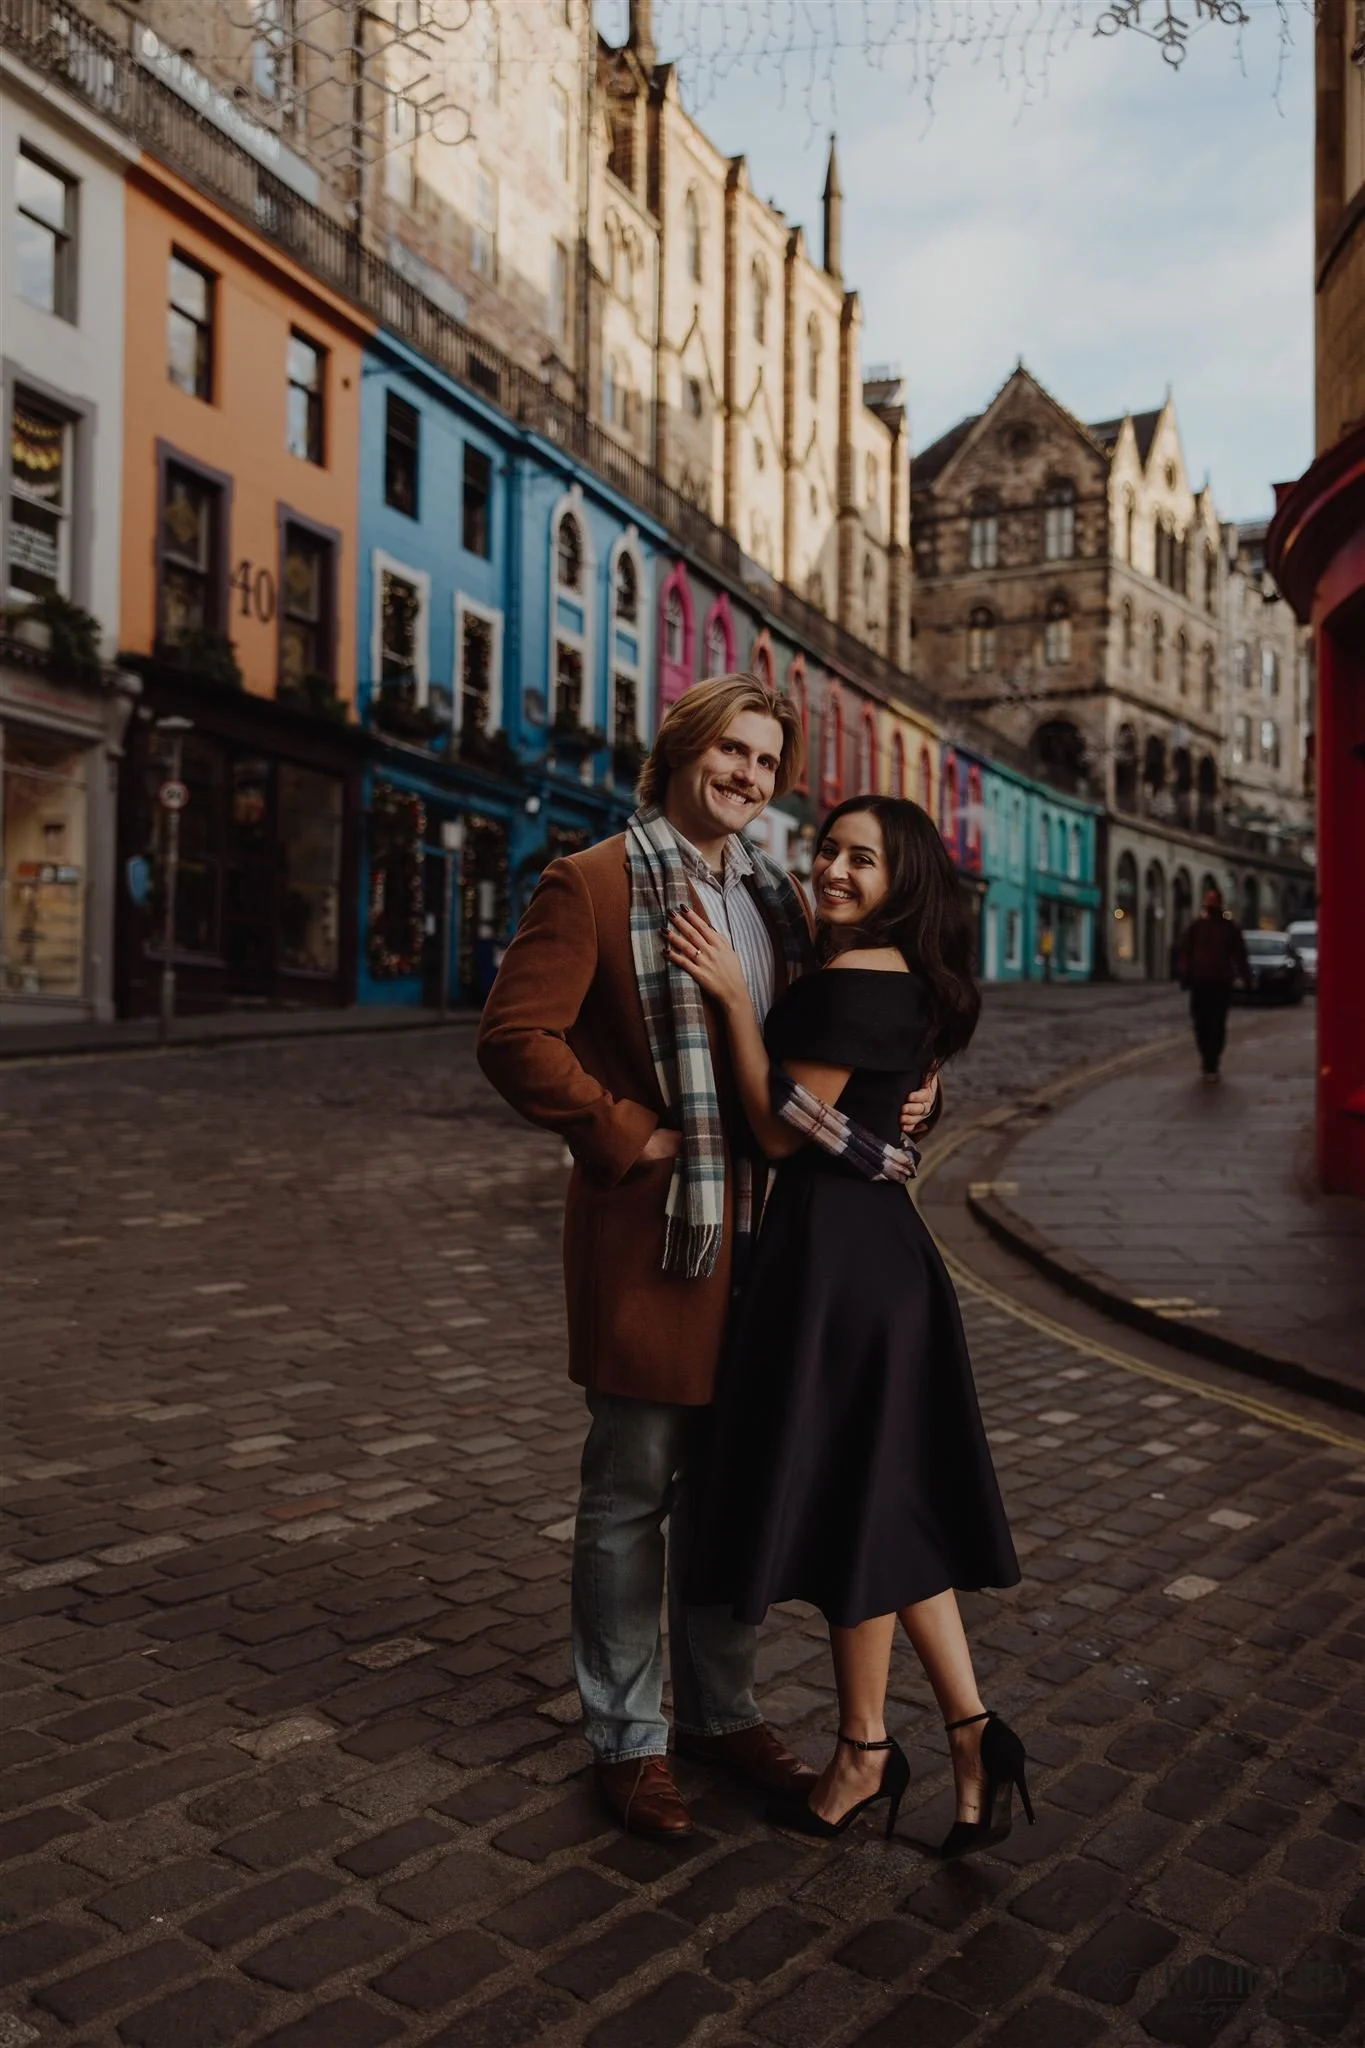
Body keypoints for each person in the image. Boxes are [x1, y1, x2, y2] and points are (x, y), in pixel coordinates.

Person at [476, 676, 939, 1840]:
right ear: (683, 748)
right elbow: (513, 1036)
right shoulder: (588, 881)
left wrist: (910, 1090)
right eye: (729, 749)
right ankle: (628, 1738)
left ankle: (721, 1711)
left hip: (771, 1242)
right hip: (653, 1236)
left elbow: (825, 1042)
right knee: (633, 1493)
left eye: (765, 760)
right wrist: (631, 1132)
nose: (745, 773)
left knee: (733, 1483)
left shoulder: (781, 903)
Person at [666, 794, 1029, 1860]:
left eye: (861, 860)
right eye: (828, 849)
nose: (831, 869)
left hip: (834, 1264)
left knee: (852, 1498)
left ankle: (878, 1749)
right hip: (883, 1254)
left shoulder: (847, 981)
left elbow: (778, 1134)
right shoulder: (913, 983)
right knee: (874, 1506)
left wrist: (736, 1003)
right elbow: (877, 1103)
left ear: (903, 879)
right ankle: (945, 1736)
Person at [1175, 884, 1250, 1079]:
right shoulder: (1196, 926)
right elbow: (1185, 952)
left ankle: (1212, 1062)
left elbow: (1239, 954)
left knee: (1217, 1024)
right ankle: (1205, 1058)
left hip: (1220, 982)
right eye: (1208, 899)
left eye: (1213, 900)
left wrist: (1246, 976)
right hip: (1199, 982)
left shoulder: (1228, 927)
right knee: (1200, 1022)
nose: (1210, 903)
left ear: (1219, 902)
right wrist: (1185, 974)